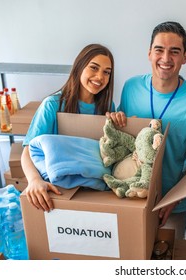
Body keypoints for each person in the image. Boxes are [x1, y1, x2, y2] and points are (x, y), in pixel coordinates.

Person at [106, 21, 186, 239]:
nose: (165, 58)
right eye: (159, 50)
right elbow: (123, 139)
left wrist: (175, 198)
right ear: (149, 53)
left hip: (169, 204)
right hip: (130, 195)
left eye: (174, 51)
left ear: (185, 57)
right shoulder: (131, 87)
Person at [21, 43, 115, 212]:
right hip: (60, 191)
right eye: (94, 68)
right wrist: (34, 180)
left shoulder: (108, 108)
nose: (100, 77)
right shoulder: (53, 105)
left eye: (106, 72)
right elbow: (28, 150)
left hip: (95, 191)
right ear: (79, 67)